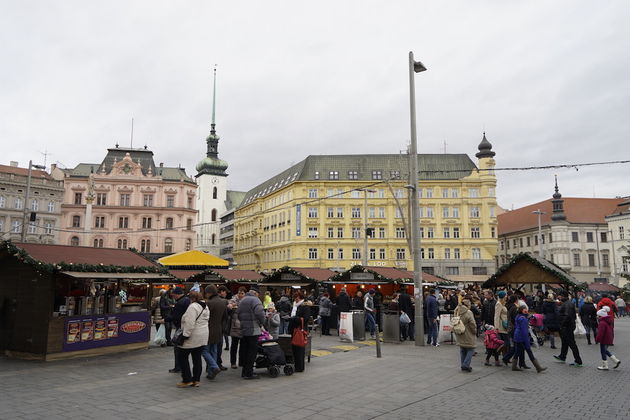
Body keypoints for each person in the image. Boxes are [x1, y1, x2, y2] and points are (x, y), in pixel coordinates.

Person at [176, 291, 209, 388]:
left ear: (192, 299)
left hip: (193, 335)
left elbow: (189, 323)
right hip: (202, 336)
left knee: (182, 356)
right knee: (197, 357)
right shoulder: (205, 307)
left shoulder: (193, 307)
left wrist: (185, 335)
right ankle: (196, 380)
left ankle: (187, 379)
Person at [237, 287, 266, 379]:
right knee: (252, 352)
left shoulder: (242, 300)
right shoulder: (255, 300)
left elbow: (238, 313)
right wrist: (262, 323)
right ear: (256, 293)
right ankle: (249, 373)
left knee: (245, 351)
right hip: (253, 330)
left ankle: (244, 372)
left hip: (244, 329)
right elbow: (260, 313)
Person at [202, 285, 228, 380]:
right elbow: (225, 317)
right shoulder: (223, 302)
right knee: (214, 350)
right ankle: (211, 372)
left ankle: (214, 367)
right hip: (218, 329)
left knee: (205, 350)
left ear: (209, 293)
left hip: (208, 329)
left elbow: (204, 317)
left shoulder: (209, 303)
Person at [512, 305, 547, 373]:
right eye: (525, 309)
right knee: (528, 351)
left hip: (517, 336)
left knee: (517, 351)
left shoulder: (518, 316)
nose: (527, 310)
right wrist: (527, 341)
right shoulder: (523, 319)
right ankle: (538, 367)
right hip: (522, 337)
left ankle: (514, 366)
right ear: (522, 310)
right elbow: (524, 331)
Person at [554, 291, 583, 367]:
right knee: (564, 342)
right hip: (567, 325)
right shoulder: (567, 303)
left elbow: (567, 316)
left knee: (571, 343)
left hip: (567, 326)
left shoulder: (567, 304)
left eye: (560, 296)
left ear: (563, 296)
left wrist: (562, 325)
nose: (559, 298)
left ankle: (578, 360)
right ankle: (562, 356)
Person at [166, 287, 190, 373]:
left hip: (180, 327)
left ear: (177, 294)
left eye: (174, 295)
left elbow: (176, 316)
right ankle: (180, 366)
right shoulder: (187, 300)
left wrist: (165, 319)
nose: (173, 297)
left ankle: (178, 366)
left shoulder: (180, 303)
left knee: (177, 347)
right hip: (187, 327)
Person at [288, 291, 310, 372]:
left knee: (300, 348)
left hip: (300, 330)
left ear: (301, 298)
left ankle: (300, 367)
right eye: (294, 298)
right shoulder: (294, 305)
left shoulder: (305, 306)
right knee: (294, 347)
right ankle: (296, 365)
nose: (295, 299)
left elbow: (306, 318)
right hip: (293, 329)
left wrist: (294, 319)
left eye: (297, 298)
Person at [454, 299, 477, 372]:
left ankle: (463, 364)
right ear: (468, 305)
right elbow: (472, 323)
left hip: (459, 332)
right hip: (468, 332)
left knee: (462, 349)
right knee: (471, 349)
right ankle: (466, 365)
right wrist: (474, 331)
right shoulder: (468, 312)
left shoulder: (457, 310)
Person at [228, 287, 247, 369]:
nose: (240, 295)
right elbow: (229, 307)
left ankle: (241, 362)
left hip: (243, 326)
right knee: (234, 345)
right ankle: (233, 362)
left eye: (242, 293)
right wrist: (233, 305)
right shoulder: (233, 300)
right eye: (239, 293)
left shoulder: (247, 301)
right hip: (235, 326)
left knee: (243, 346)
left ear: (245, 294)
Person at [494, 291, 509, 358]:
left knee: (504, 342)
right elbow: (496, 316)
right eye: (505, 295)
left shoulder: (502, 304)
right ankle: (496, 354)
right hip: (501, 326)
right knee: (505, 342)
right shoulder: (499, 304)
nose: (506, 296)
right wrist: (496, 327)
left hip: (504, 325)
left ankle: (505, 357)